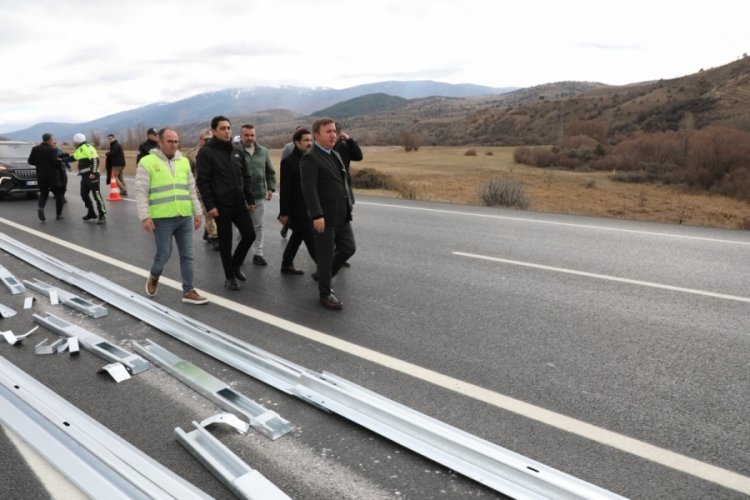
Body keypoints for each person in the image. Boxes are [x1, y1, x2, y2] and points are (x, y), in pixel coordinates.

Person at [136, 128, 208, 305]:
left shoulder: (183, 162)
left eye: (176, 141)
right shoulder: (147, 162)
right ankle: (154, 274)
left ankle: (188, 290)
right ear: (160, 142)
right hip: (162, 218)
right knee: (164, 254)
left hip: (183, 216)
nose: (174, 145)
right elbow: (140, 192)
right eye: (170, 141)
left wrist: (197, 212)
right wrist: (145, 217)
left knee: (188, 255)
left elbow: (191, 189)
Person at [300, 117, 356, 310]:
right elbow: (309, 189)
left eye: (334, 131)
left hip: (341, 213)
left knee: (349, 248)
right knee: (324, 255)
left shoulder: (335, 154)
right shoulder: (311, 157)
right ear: (317, 135)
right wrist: (316, 215)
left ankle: (323, 274)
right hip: (324, 216)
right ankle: (325, 294)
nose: (334, 134)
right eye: (329, 131)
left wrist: (349, 207)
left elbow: (344, 183)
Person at [196, 116, 256, 291]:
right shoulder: (206, 152)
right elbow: (203, 182)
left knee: (250, 235)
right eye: (222, 128)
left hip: (238, 202)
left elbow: (245, 176)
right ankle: (229, 277)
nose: (227, 131)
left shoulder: (236, 151)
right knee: (225, 242)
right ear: (214, 131)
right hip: (220, 205)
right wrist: (210, 206)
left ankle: (235, 264)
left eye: (229, 128)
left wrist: (250, 198)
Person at [278, 128, 315, 275]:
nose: (309, 143)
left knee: (297, 236)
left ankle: (286, 264)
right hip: (297, 207)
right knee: (310, 238)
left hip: (309, 206)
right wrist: (284, 212)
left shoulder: (311, 159)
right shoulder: (288, 162)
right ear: (296, 142)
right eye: (306, 140)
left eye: (311, 140)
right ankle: (326, 270)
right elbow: (285, 189)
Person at [237, 124, 275, 266]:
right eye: (246, 135)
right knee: (243, 227)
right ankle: (241, 254)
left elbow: (270, 171)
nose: (249, 138)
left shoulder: (263, 151)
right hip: (241, 196)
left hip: (259, 194)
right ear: (241, 136)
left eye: (252, 135)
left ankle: (258, 253)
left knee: (258, 226)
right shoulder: (235, 151)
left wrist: (270, 187)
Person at [62, 133, 107, 223]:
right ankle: (91, 212)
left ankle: (102, 215)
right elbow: (74, 158)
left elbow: (95, 159)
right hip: (84, 176)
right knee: (84, 195)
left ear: (77, 141)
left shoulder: (88, 147)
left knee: (97, 195)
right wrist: (62, 160)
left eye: (74, 141)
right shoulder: (79, 149)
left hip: (92, 175)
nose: (74, 143)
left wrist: (93, 172)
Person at [185, 128, 218, 250]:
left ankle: (207, 231)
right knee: (209, 212)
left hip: (214, 187)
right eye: (206, 139)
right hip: (199, 187)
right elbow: (187, 172)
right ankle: (214, 237)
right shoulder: (192, 154)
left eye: (211, 139)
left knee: (215, 212)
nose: (209, 141)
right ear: (200, 139)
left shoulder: (215, 152)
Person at [27, 133, 65, 221]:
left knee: (43, 194)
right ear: (49, 140)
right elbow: (55, 164)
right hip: (53, 177)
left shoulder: (35, 149)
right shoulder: (51, 150)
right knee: (59, 195)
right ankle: (59, 215)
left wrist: (40, 164)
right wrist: (59, 161)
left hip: (41, 176)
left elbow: (30, 161)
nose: (53, 141)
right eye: (53, 140)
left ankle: (40, 207)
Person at [279, 125, 305, 239]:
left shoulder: (309, 148)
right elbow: (284, 163)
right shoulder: (288, 147)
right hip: (293, 181)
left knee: (299, 233)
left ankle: (287, 258)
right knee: (304, 230)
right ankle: (286, 226)